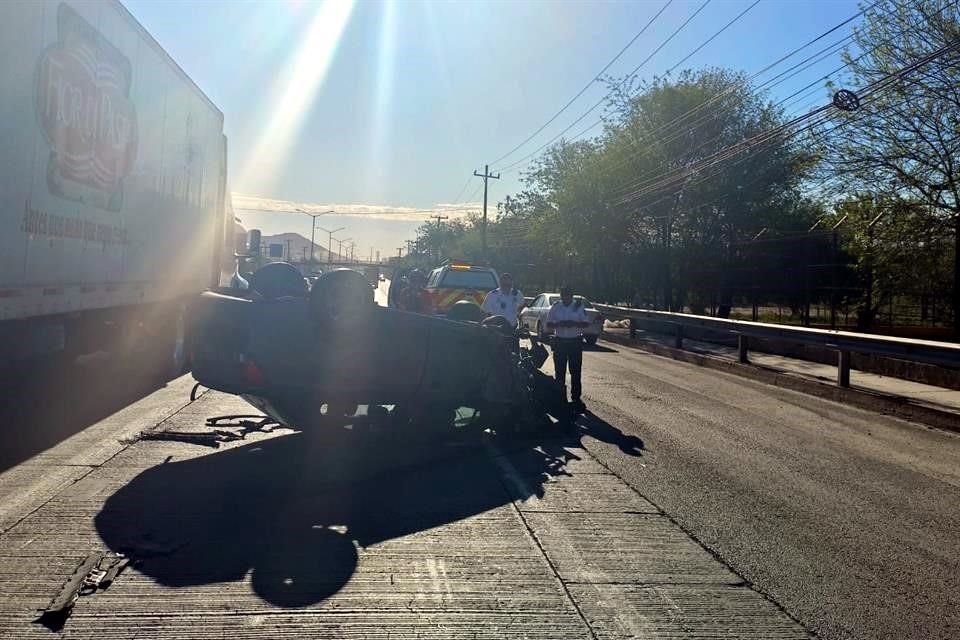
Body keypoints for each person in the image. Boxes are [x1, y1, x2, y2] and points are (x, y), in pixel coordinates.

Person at [546, 285, 589, 413]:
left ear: (571, 296)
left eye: (568, 296)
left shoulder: (578, 307)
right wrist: (559, 324)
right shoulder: (556, 307)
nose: (565, 299)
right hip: (560, 341)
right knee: (559, 371)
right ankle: (560, 396)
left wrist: (574, 323)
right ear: (561, 296)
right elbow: (548, 324)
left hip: (575, 341)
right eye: (563, 296)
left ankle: (576, 397)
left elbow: (586, 323)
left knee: (575, 370)